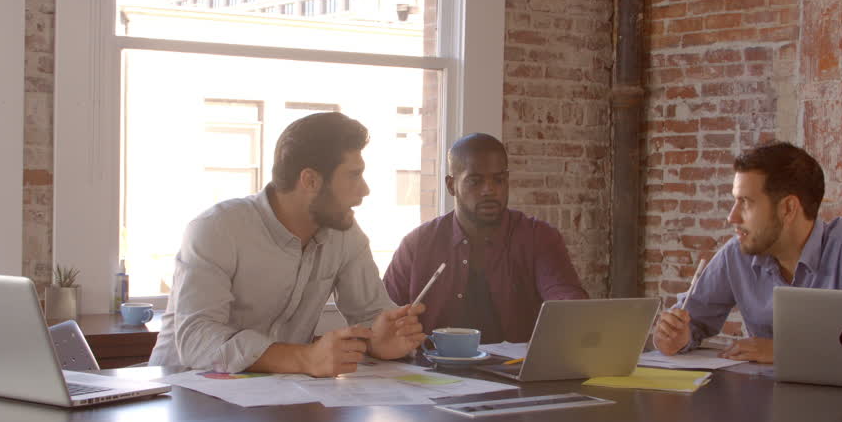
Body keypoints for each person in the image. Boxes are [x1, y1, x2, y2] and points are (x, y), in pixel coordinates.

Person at [149, 112, 426, 376]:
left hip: (277, 399)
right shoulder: (217, 229)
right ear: (310, 180)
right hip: (180, 394)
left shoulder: (345, 234)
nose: (365, 190)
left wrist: (380, 339)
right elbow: (197, 339)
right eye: (353, 175)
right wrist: (305, 357)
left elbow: (371, 312)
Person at [652, 141, 842, 364]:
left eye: (746, 203)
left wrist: (788, 351)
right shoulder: (738, 254)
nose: (732, 217)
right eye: (735, 201)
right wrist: (674, 338)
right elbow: (691, 321)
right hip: (764, 408)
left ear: (788, 208)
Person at [383, 133, 587, 345]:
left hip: (513, 373)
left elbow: (568, 304)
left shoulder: (538, 237)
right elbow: (380, 317)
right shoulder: (417, 244)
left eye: (499, 180)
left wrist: (573, 319)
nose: (490, 190)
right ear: (451, 185)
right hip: (431, 372)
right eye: (475, 181)